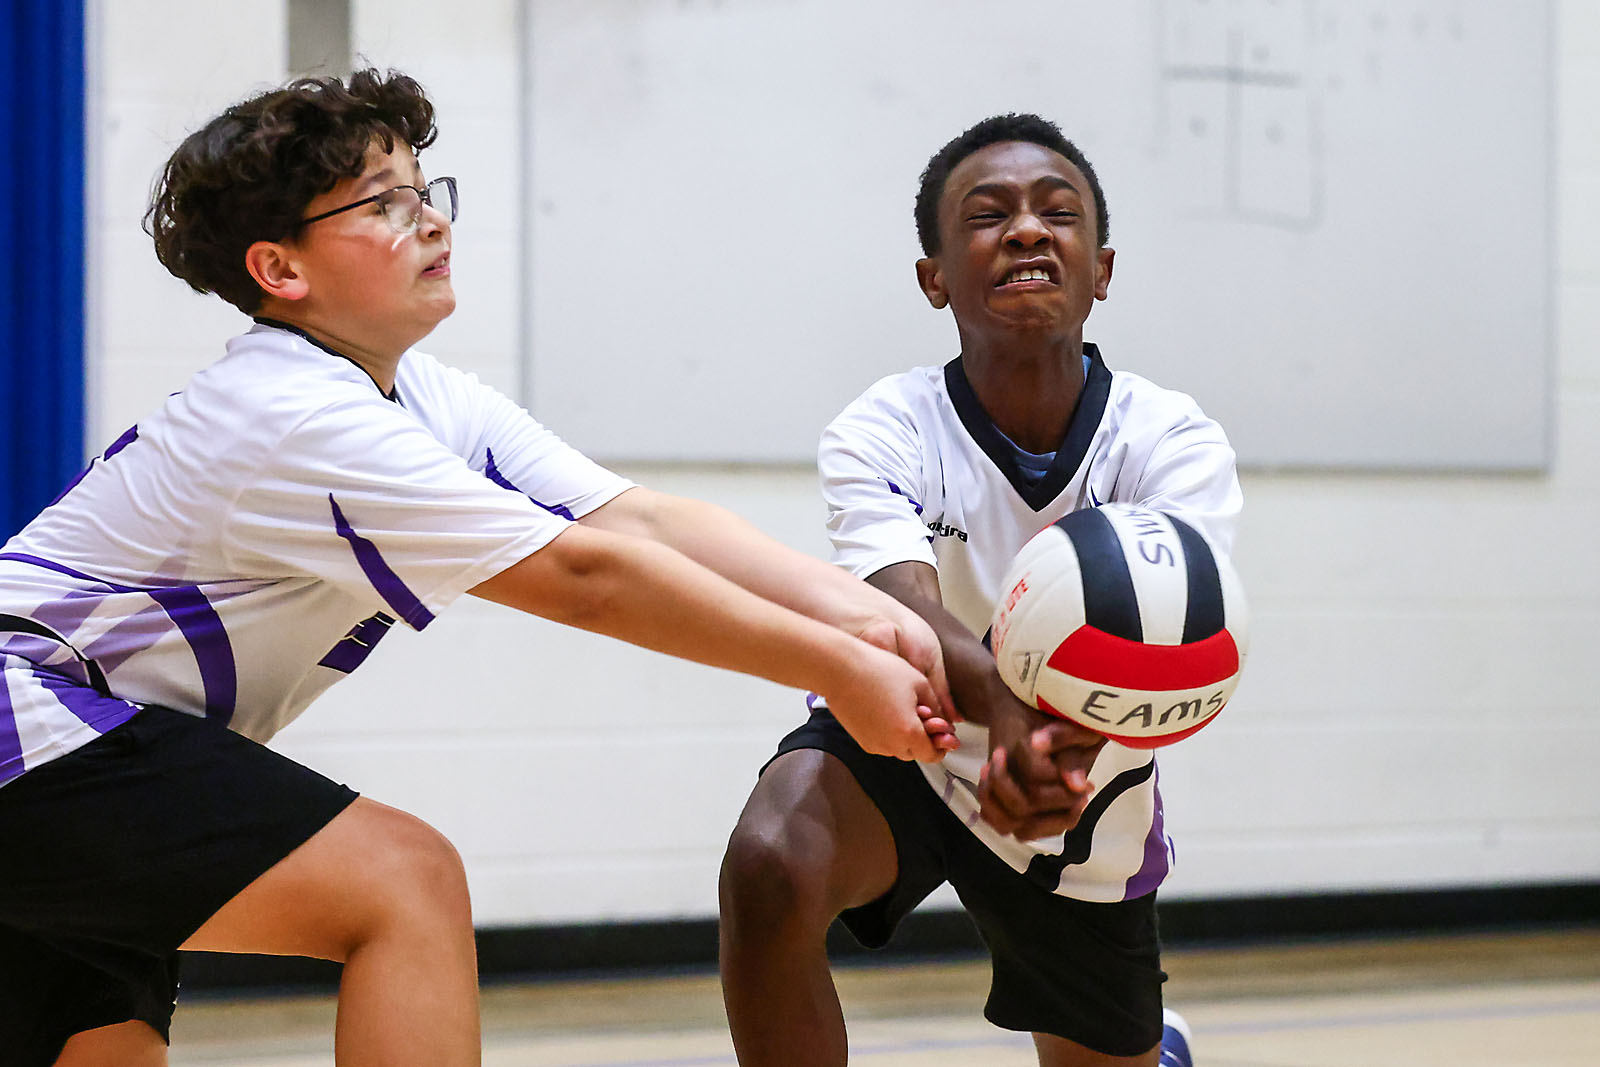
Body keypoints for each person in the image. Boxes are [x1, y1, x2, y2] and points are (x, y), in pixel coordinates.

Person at [0, 69, 959, 1067]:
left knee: (99, 1049)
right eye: (385, 204)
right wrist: (842, 668)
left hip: (83, 751)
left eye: (426, 191)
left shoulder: (419, 395)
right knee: (404, 882)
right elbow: (588, 576)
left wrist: (861, 616)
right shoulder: (295, 412)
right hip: (33, 724)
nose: (432, 222)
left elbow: (640, 519)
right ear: (280, 268)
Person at [718, 113, 1241, 1067]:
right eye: (989, 214)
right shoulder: (885, 425)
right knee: (768, 865)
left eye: (1059, 213)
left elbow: (1174, 649)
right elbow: (896, 602)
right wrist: (1000, 709)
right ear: (935, 277)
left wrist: (1047, 746)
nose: (1029, 230)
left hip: (1082, 778)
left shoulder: (1170, 439)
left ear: (1103, 269)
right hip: (906, 730)